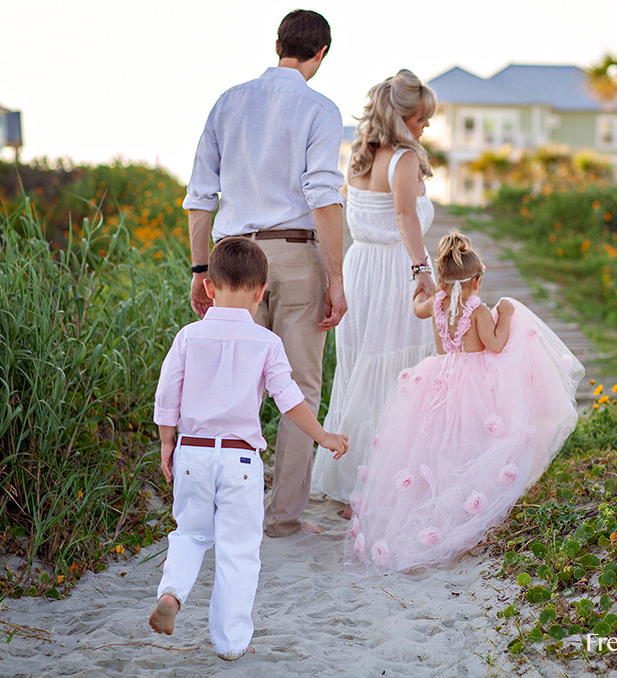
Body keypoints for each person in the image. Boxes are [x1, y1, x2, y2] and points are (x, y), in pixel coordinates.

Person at [182, 9, 346, 538]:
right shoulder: (319, 108)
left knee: (230, 383)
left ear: (278, 44)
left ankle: (225, 511)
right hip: (296, 256)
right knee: (297, 387)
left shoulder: (228, 102)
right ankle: (282, 519)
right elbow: (324, 197)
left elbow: (200, 196)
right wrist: (337, 279)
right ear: (320, 54)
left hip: (231, 260)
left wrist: (200, 268)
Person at [148, 237, 348, 660]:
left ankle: (172, 594)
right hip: (240, 460)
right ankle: (231, 642)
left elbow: (168, 393)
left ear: (208, 288)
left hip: (193, 453)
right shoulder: (266, 343)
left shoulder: (188, 337)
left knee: (189, 533)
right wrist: (324, 437)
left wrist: (168, 442)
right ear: (261, 293)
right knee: (239, 551)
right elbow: (290, 399)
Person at [344, 231, 584, 575]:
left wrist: (420, 293)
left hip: (438, 380)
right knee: (472, 443)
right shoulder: (479, 310)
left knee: (434, 446)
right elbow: (497, 345)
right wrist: (506, 314)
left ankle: (432, 503)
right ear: (479, 280)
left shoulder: (437, 303)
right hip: (473, 385)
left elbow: (417, 308)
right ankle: (465, 511)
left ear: (442, 281)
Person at [311, 70, 438, 513]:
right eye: (421, 119)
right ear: (404, 117)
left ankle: (355, 483)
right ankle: (378, 486)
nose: (426, 127)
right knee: (398, 374)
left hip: (362, 266)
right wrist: (422, 271)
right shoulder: (402, 159)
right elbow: (406, 218)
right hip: (392, 271)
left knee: (363, 369)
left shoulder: (359, 156)